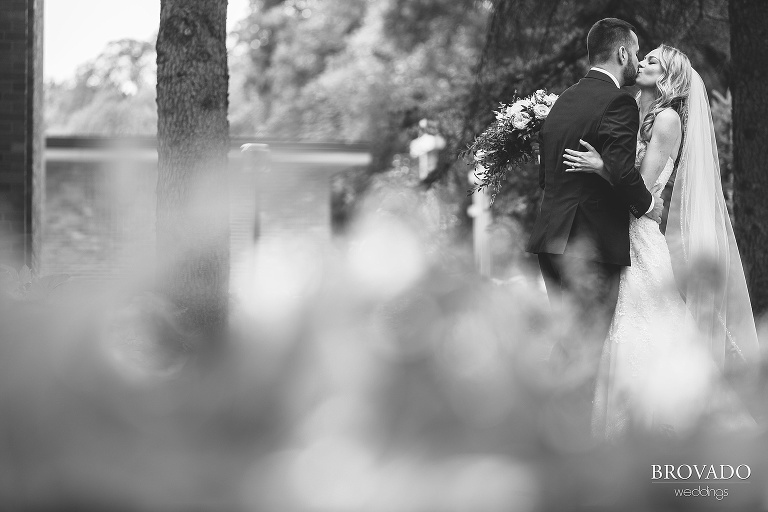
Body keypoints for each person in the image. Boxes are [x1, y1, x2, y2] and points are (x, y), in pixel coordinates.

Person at [564, 44, 760, 438]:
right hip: (614, 229)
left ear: (668, 75)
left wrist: (601, 167)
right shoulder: (633, 107)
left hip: (638, 234)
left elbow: (642, 193)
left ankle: (661, 424)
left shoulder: (667, 119)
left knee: (646, 321)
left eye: (653, 60)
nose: (643, 62)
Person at [525, 19, 664, 395]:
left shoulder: (566, 99)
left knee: (568, 344)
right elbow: (620, 169)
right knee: (588, 351)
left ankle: (544, 423)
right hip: (590, 245)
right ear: (622, 52)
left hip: (552, 240)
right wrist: (649, 204)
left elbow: (545, 177)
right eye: (636, 53)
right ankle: (566, 440)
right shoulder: (618, 101)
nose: (637, 61)